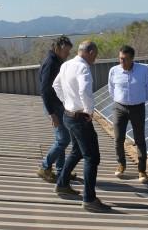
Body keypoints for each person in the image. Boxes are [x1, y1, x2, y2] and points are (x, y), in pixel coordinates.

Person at [52, 40, 112, 213]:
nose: (95, 58)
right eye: (96, 54)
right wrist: (88, 111)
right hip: (79, 117)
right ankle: (89, 199)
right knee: (91, 157)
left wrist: (67, 102)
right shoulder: (83, 68)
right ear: (90, 52)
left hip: (68, 115)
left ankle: (62, 184)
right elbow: (85, 91)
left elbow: (56, 85)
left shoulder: (66, 65)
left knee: (77, 151)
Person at [108, 45, 148, 183]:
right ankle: (121, 164)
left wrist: (138, 100)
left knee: (139, 139)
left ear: (132, 59)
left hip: (137, 108)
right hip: (119, 108)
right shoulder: (114, 71)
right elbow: (111, 89)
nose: (122, 62)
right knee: (118, 138)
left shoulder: (143, 70)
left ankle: (141, 170)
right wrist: (119, 100)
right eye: (120, 58)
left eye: (125, 59)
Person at [36, 36, 74, 183]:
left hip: (58, 106)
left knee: (61, 139)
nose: (68, 54)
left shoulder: (57, 61)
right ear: (58, 48)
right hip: (53, 107)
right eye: (66, 51)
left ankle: (61, 171)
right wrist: (52, 114)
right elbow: (44, 90)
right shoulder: (51, 63)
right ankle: (44, 167)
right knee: (64, 140)